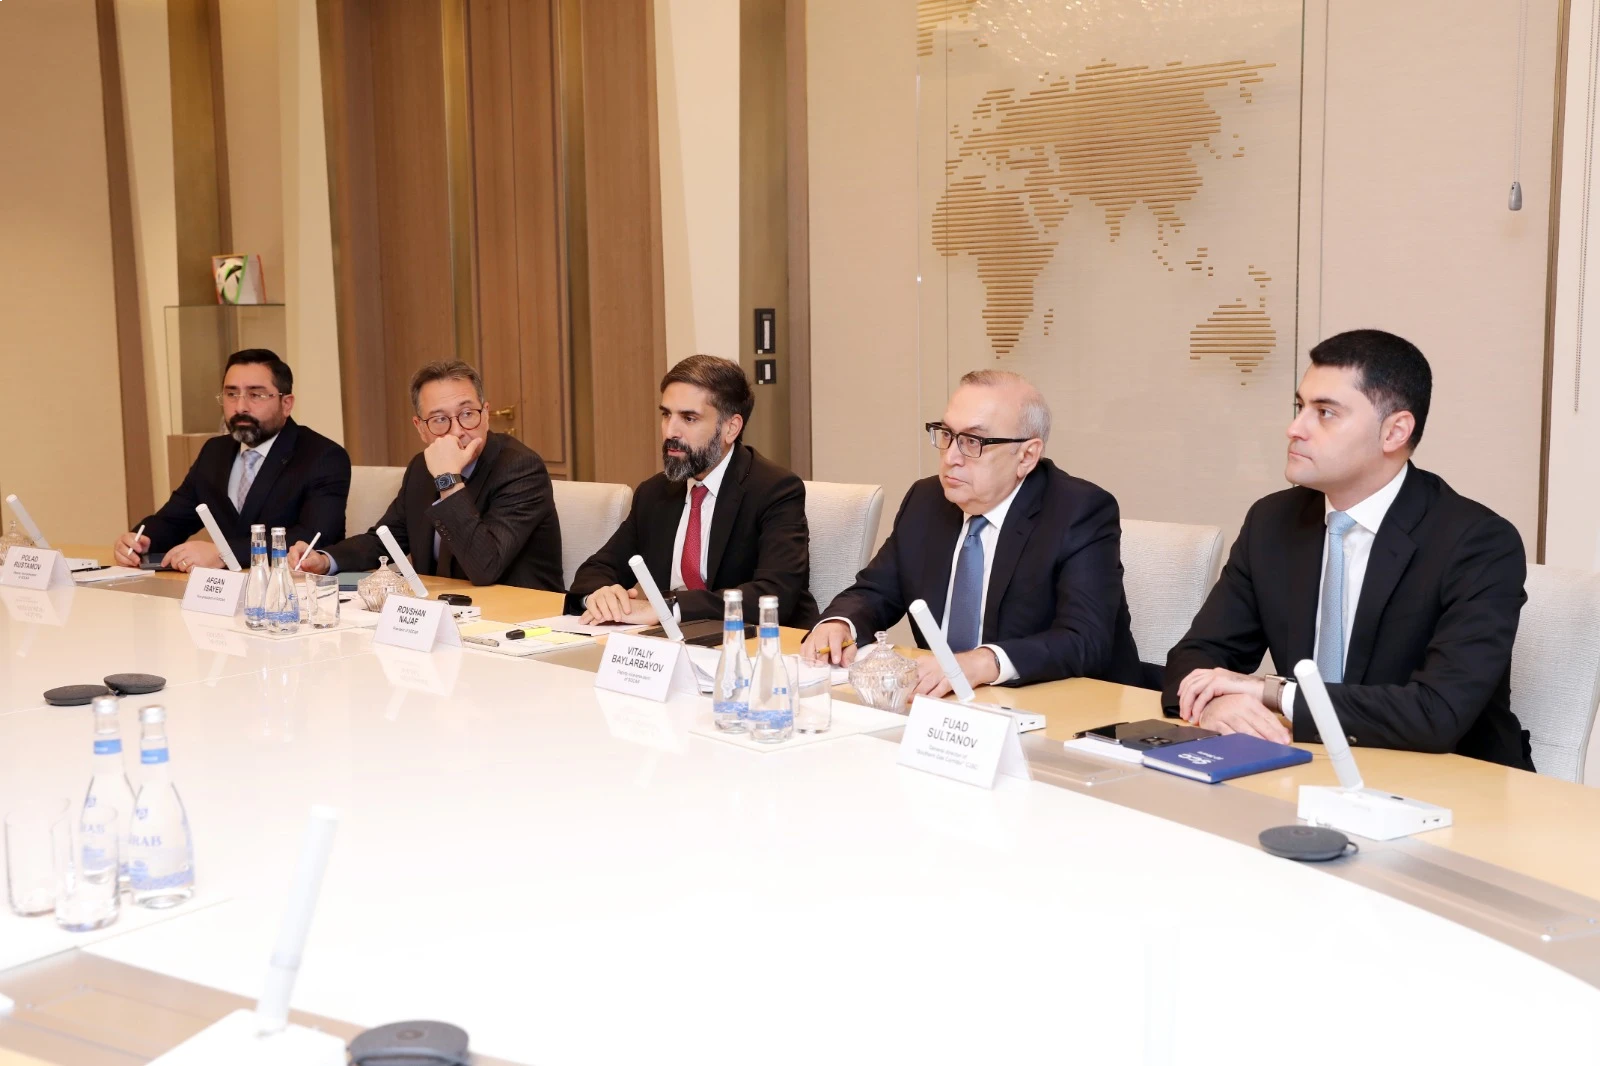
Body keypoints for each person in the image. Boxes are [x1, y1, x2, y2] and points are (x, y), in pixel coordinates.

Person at [1163, 329, 1533, 770]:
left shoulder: (1478, 542)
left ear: (1394, 431)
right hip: (1305, 766)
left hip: (1451, 781)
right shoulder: (1272, 521)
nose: (1294, 429)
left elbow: (1438, 714)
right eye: (1300, 407)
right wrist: (1214, 703)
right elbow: (1195, 656)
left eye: (1325, 413)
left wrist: (1273, 693)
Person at [803, 369, 1141, 697]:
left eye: (973, 441)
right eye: (946, 434)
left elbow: (1085, 639)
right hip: (948, 708)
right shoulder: (927, 500)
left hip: (1063, 705)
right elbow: (876, 591)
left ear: (1027, 456)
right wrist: (841, 623)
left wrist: (981, 663)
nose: (951, 457)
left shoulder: (1078, 511)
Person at [567, 355, 817, 626]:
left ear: (730, 428)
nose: (670, 432)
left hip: (758, 641)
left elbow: (774, 595)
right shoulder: (654, 493)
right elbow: (598, 568)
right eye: (666, 415)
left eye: (689, 418)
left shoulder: (775, 490)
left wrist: (670, 608)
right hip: (674, 641)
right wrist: (600, 593)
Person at [291, 360, 562, 590]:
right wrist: (325, 560)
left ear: (487, 414)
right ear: (420, 428)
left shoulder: (520, 469)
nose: (457, 431)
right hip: (447, 611)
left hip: (521, 618)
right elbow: (386, 540)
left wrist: (448, 480)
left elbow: (485, 567)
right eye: (440, 420)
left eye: (468, 414)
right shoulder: (421, 468)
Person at [115, 350, 349, 572]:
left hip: (291, 588)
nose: (240, 407)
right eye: (231, 394)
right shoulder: (215, 451)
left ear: (286, 404)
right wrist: (141, 541)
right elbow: (174, 519)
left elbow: (315, 536)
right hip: (224, 589)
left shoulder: (322, 456)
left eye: (255, 395)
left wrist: (224, 553)